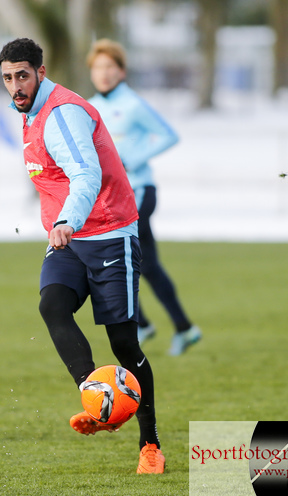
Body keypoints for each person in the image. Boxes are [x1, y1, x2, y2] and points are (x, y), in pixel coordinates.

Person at [0, 38, 165, 474]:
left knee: (124, 343)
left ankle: (150, 445)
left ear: (40, 70)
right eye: (7, 78)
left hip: (109, 234)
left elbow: (86, 173)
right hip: (70, 240)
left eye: (22, 76)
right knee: (52, 305)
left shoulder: (62, 113)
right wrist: (64, 226)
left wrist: (67, 220)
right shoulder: (31, 114)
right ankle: (97, 399)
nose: (15, 85)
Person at [87, 39, 202, 356]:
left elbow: (169, 135)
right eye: (98, 68)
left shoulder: (134, 104)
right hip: (110, 197)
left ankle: (145, 324)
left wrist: (132, 159)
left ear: (121, 71)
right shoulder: (89, 106)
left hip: (138, 191)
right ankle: (180, 327)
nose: (104, 73)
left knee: (117, 256)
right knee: (145, 264)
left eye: (110, 67)